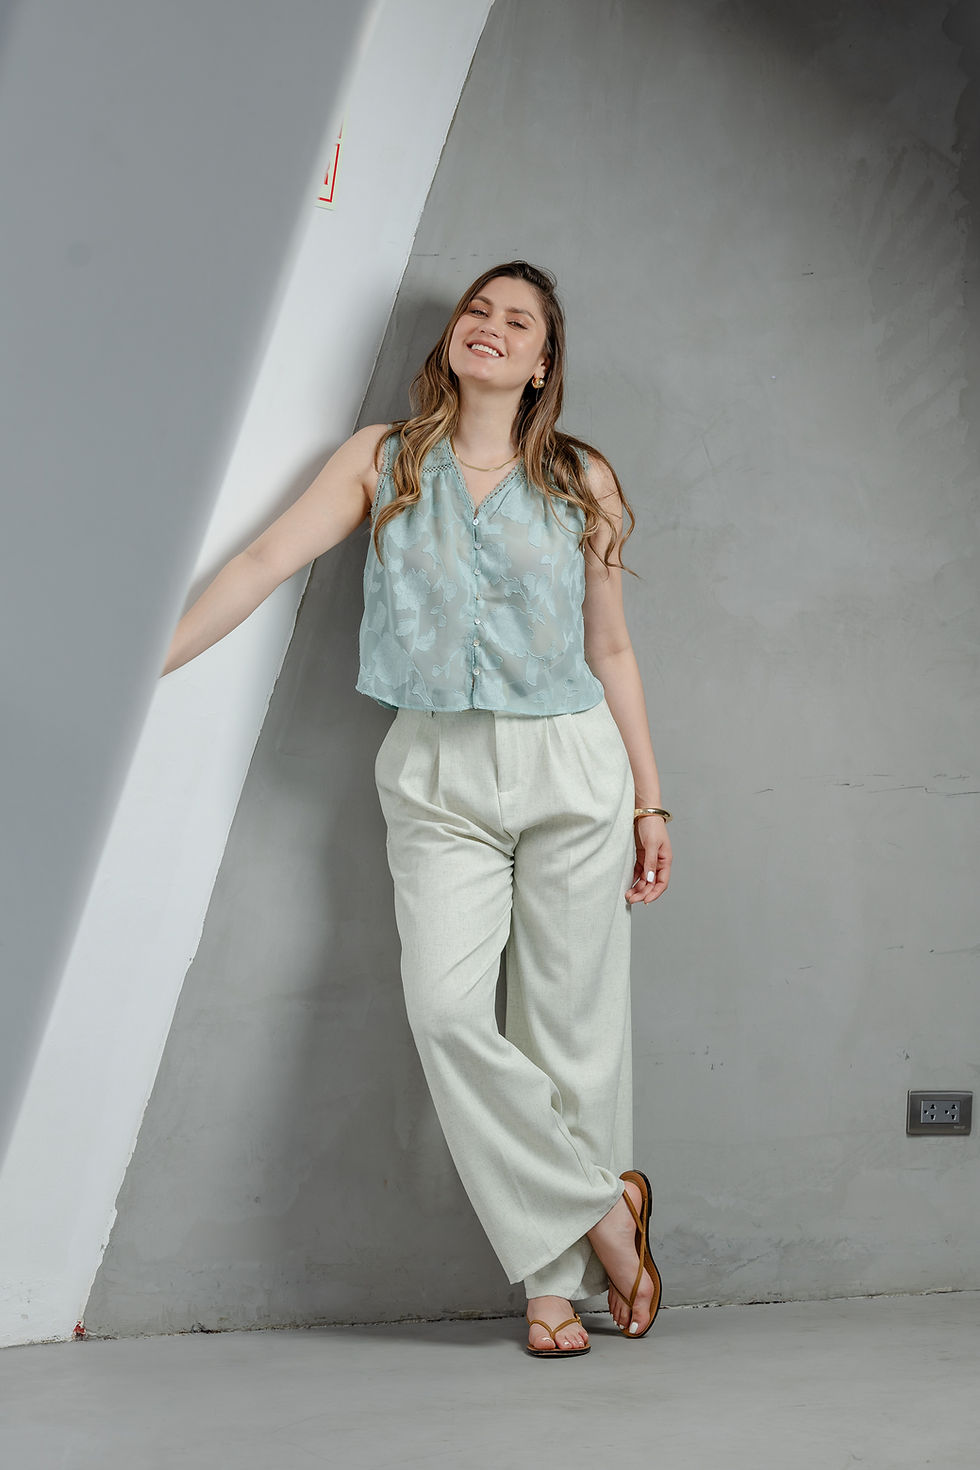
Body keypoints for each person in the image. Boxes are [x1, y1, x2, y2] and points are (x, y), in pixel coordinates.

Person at [162, 260, 671, 1358]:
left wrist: (651, 800)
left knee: (570, 1031)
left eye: (517, 321)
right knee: (447, 1012)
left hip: (572, 762)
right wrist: (141, 666)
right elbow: (263, 559)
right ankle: (602, 1205)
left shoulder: (580, 478)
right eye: (477, 311)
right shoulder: (384, 460)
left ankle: (553, 1290)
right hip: (437, 772)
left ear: (541, 362)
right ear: (452, 340)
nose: (490, 327)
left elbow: (613, 648)